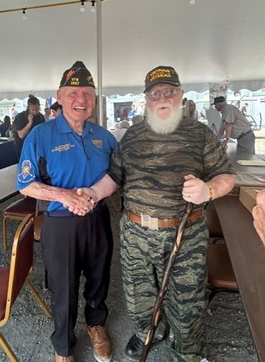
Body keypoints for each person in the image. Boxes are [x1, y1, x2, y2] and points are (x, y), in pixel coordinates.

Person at [82, 65, 236, 362]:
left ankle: (188, 351)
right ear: (147, 99)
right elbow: (114, 177)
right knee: (139, 297)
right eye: (155, 93)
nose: (162, 97)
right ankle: (148, 332)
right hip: (136, 233)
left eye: (169, 91)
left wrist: (209, 191)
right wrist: (93, 192)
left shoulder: (199, 134)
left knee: (187, 301)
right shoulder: (132, 136)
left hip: (185, 233)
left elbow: (226, 176)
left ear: (180, 95)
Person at [16, 61, 117, 362]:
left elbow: (118, 173)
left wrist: (95, 193)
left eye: (87, 92)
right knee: (64, 287)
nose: (81, 99)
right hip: (60, 222)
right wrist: (66, 196)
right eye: (73, 92)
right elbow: (25, 183)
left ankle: (96, 324)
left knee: (99, 277)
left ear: (94, 99)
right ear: (59, 96)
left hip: (98, 218)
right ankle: (64, 347)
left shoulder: (104, 137)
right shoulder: (41, 135)